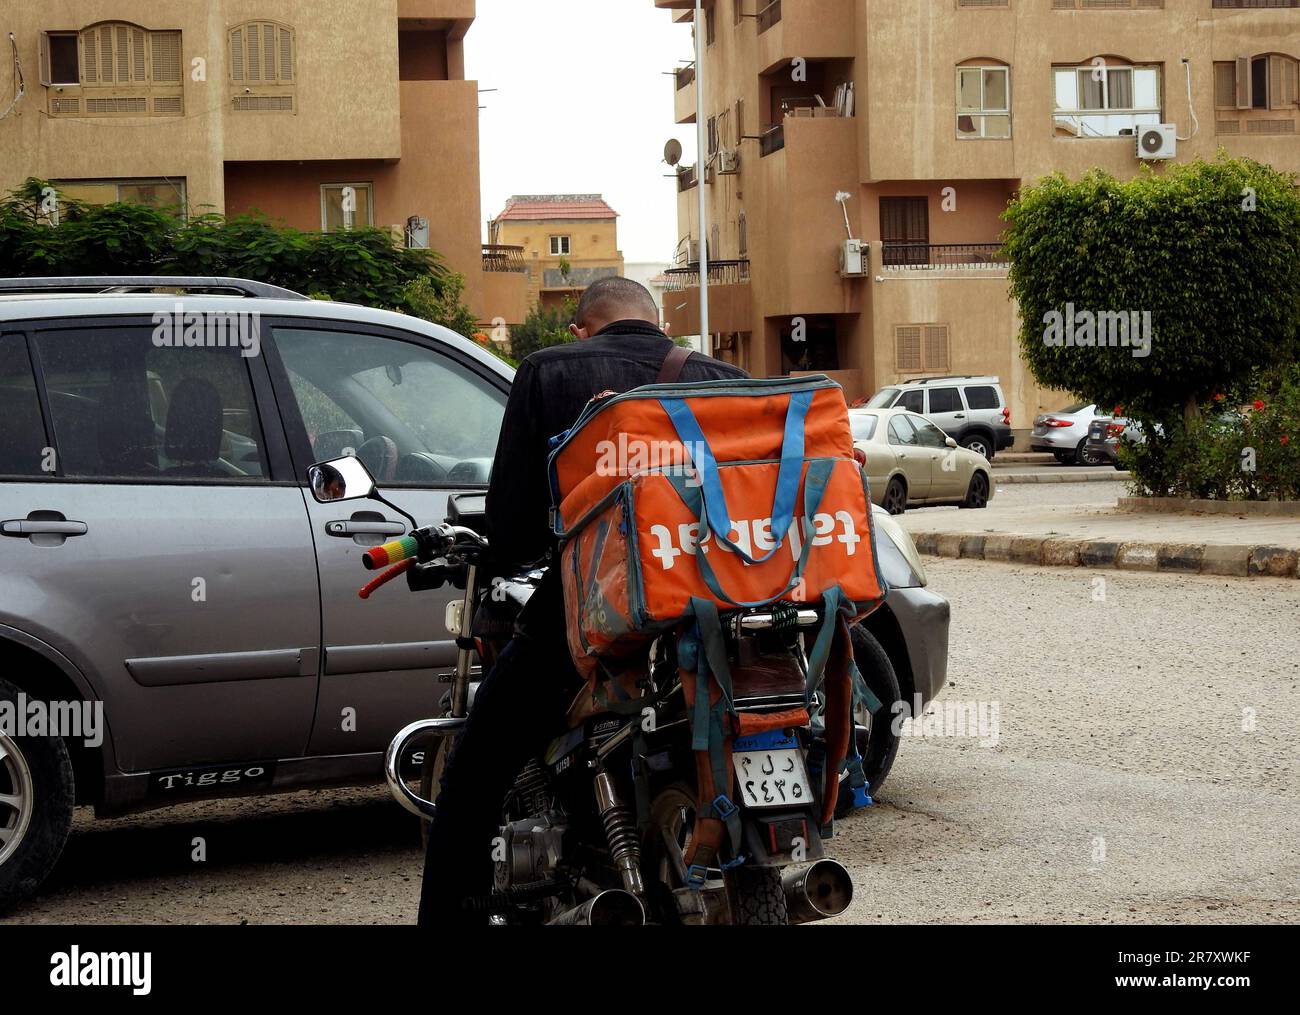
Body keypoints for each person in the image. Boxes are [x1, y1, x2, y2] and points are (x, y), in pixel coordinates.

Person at [419, 276, 747, 925]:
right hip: (721, 618)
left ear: (581, 327)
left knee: (476, 767)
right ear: (656, 322)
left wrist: (503, 549)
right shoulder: (722, 376)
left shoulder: (547, 371)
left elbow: (513, 531)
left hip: (591, 620)